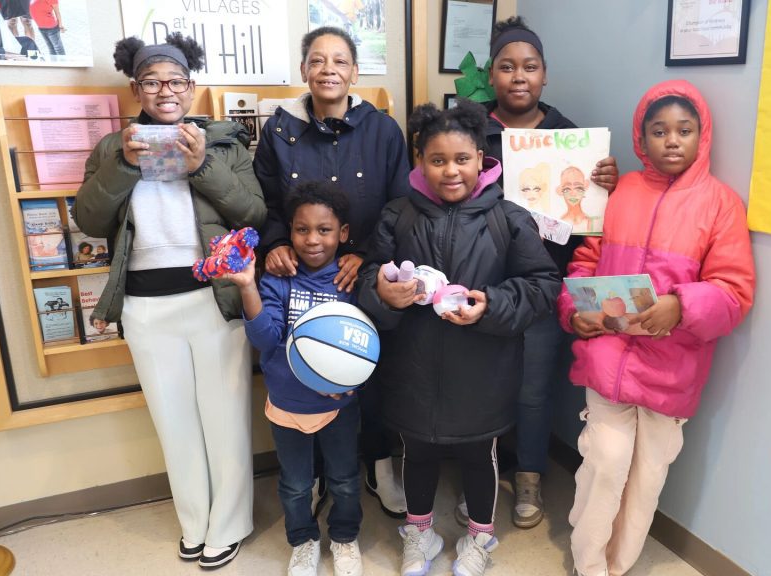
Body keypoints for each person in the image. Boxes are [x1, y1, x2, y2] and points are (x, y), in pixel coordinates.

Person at [74, 33, 265, 570]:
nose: (165, 91)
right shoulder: (113, 147)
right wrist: (125, 164)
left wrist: (203, 164)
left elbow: (254, 214)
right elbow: (88, 220)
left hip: (213, 298)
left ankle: (228, 525)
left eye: (175, 81)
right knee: (173, 421)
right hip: (144, 306)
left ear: (192, 88)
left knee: (225, 417)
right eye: (153, 81)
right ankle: (194, 524)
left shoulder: (227, 142)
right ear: (135, 88)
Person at [559, 80, 755, 576]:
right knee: (605, 461)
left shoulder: (721, 205)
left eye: (684, 130)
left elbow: (734, 292)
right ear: (640, 139)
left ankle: (618, 564)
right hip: (608, 356)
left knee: (646, 479)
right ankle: (589, 566)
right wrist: (573, 310)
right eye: (659, 131)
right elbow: (585, 262)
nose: (672, 141)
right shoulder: (618, 191)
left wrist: (680, 304)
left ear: (701, 136)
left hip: (672, 368)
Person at [357, 99, 559, 576]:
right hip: (412, 367)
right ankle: (419, 533)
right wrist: (383, 292)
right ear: (420, 162)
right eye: (437, 159)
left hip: (483, 370)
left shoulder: (508, 217)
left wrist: (492, 304)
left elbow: (543, 284)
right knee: (418, 450)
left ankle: (479, 537)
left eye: (462, 159)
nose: (451, 171)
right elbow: (369, 276)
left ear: (482, 160)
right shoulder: (397, 215)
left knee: (478, 454)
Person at [254, 25, 411, 518]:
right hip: (301, 273)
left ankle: (378, 463)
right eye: (318, 61)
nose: (328, 70)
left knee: (369, 367)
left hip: (361, 270)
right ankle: (318, 475)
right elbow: (267, 199)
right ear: (304, 71)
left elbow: (399, 204)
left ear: (354, 72)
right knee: (306, 364)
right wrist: (278, 243)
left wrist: (365, 254)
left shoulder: (383, 129)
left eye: (339, 61)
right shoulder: (279, 129)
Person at [471, 15, 619, 530]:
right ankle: (480, 476)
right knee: (482, 382)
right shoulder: (472, 128)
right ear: (491, 74)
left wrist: (606, 184)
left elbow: (587, 217)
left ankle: (529, 475)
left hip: (543, 284)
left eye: (529, 67)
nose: (518, 76)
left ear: (545, 75)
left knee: (535, 388)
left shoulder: (570, 136)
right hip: (481, 280)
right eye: (507, 66)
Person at [225, 181, 363, 576]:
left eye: (324, 230)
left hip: (339, 406)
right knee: (295, 485)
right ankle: (303, 540)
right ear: (290, 231)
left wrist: (356, 379)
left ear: (343, 233)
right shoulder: (278, 277)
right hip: (286, 404)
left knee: (345, 480)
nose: (313, 240)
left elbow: (365, 341)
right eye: (302, 230)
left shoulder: (350, 280)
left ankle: (344, 537)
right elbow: (265, 337)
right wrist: (248, 285)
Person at [556, 165, 600, 233]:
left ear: (584, 188)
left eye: (578, 188)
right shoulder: (558, 223)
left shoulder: (593, 222)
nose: (573, 193)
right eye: (567, 189)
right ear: (561, 192)